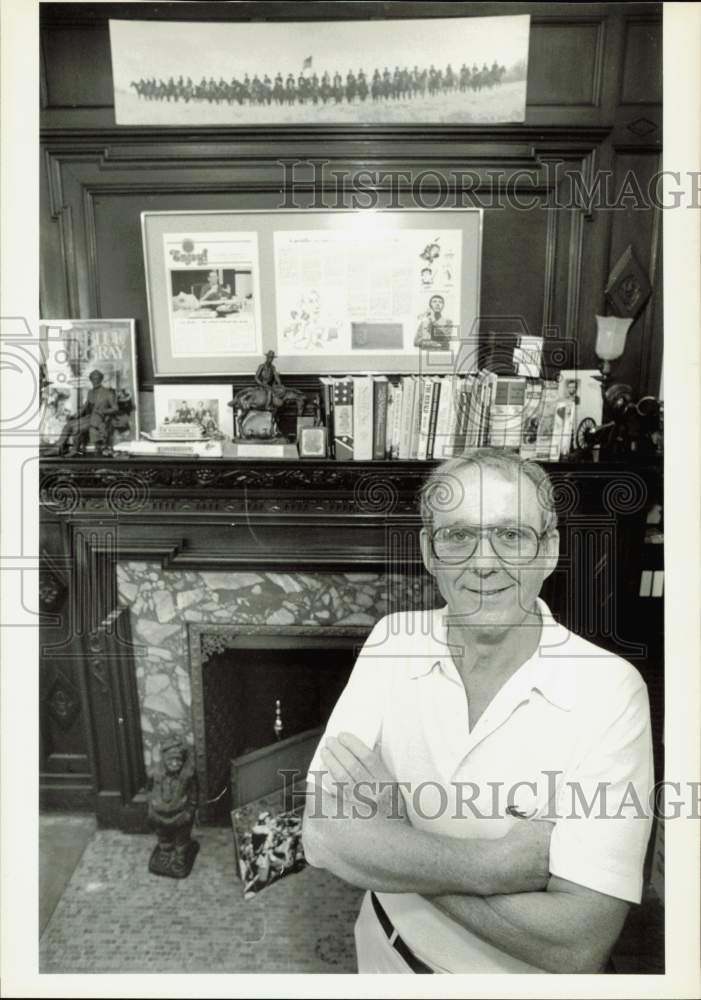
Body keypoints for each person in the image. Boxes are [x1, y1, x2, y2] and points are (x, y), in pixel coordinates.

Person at [303, 450, 653, 974]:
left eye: (510, 536)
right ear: (428, 550)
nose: (483, 563)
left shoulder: (611, 692)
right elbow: (323, 834)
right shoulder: (391, 641)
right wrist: (493, 867)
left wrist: (396, 833)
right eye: (458, 536)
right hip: (382, 959)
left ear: (549, 549)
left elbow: (577, 944)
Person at [54, 369, 118, 455]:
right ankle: (58, 448)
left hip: (99, 419)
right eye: (93, 378)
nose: (95, 380)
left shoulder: (108, 393)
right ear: (91, 380)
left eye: (97, 378)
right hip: (89, 417)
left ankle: (74, 450)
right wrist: (76, 415)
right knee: (68, 425)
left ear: (101, 379)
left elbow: (115, 408)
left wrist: (104, 411)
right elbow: (86, 406)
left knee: (77, 429)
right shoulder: (90, 392)